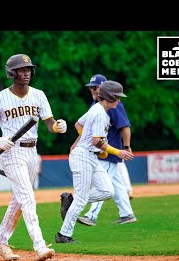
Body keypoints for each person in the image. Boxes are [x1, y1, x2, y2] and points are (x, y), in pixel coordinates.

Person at [0, 53, 68, 261]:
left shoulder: (38, 94)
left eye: (29, 69)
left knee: (19, 200)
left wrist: (57, 126)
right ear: (12, 73)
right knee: (27, 197)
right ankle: (39, 246)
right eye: (22, 69)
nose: (27, 72)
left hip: (31, 151)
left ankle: (0, 242)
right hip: (11, 151)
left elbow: (48, 121)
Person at [56, 81, 134, 243]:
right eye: (117, 97)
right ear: (109, 97)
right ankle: (64, 234)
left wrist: (88, 140)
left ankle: (71, 200)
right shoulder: (99, 113)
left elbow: (79, 124)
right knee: (82, 199)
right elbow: (96, 141)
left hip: (90, 156)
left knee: (108, 191)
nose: (119, 101)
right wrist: (117, 151)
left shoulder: (97, 109)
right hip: (83, 156)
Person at [76, 74, 137, 227]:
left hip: (109, 152)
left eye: (95, 87)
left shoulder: (113, 104)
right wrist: (82, 142)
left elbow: (125, 126)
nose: (92, 90)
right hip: (103, 151)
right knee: (117, 184)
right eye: (90, 87)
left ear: (104, 89)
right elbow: (80, 125)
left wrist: (126, 147)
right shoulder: (96, 105)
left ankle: (91, 215)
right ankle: (127, 214)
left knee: (102, 186)